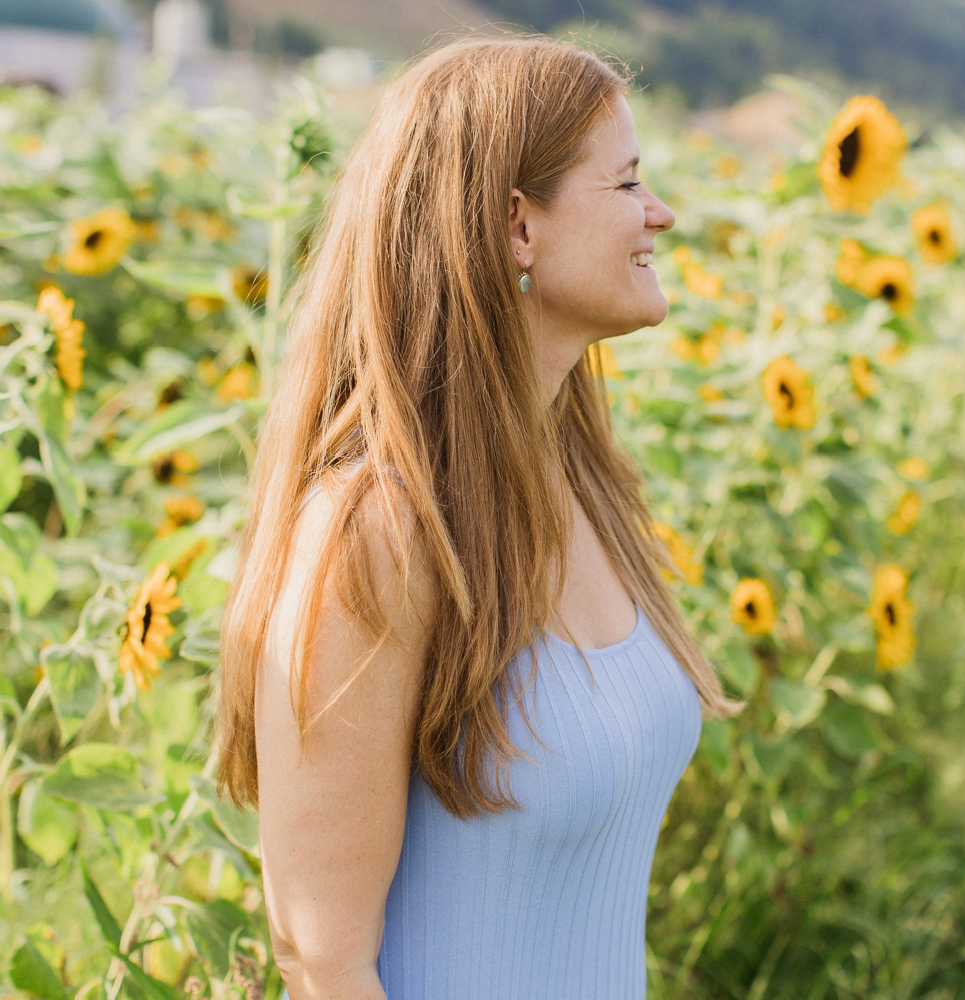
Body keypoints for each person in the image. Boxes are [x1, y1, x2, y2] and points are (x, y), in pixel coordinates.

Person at [214, 32, 746, 1000]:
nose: (659, 214)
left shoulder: (576, 479)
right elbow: (322, 961)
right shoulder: (374, 533)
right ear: (516, 227)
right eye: (625, 184)